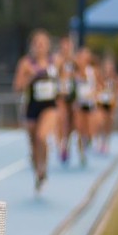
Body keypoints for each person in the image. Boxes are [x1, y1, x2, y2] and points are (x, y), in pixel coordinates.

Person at [13, 30, 58, 193]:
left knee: (42, 137)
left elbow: (66, 79)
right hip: (31, 107)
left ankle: (43, 168)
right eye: (37, 43)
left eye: (43, 43)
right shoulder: (26, 63)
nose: (40, 46)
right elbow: (17, 87)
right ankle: (37, 172)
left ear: (48, 46)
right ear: (32, 46)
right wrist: (30, 77)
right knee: (33, 144)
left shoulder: (55, 62)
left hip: (49, 106)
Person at [53, 34, 76, 164]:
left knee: (70, 123)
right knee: (61, 119)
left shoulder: (74, 61)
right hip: (60, 94)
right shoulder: (57, 59)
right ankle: (60, 146)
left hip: (71, 95)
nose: (66, 49)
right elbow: (54, 72)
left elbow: (81, 75)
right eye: (64, 46)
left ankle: (66, 144)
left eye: (69, 46)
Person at [71, 46, 97, 166]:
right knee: (80, 130)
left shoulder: (93, 71)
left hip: (90, 103)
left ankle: (89, 141)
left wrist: (94, 94)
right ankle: (81, 153)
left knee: (90, 129)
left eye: (85, 56)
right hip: (79, 104)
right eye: (80, 56)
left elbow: (100, 86)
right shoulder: (73, 72)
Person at [95, 57, 118, 154]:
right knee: (100, 121)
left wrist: (116, 94)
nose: (108, 70)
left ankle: (106, 142)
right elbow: (95, 88)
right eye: (107, 67)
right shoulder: (100, 77)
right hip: (102, 103)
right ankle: (99, 140)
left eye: (110, 68)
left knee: (109, 122)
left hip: (111, 104)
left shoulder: (115, 78)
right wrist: (99, 92)